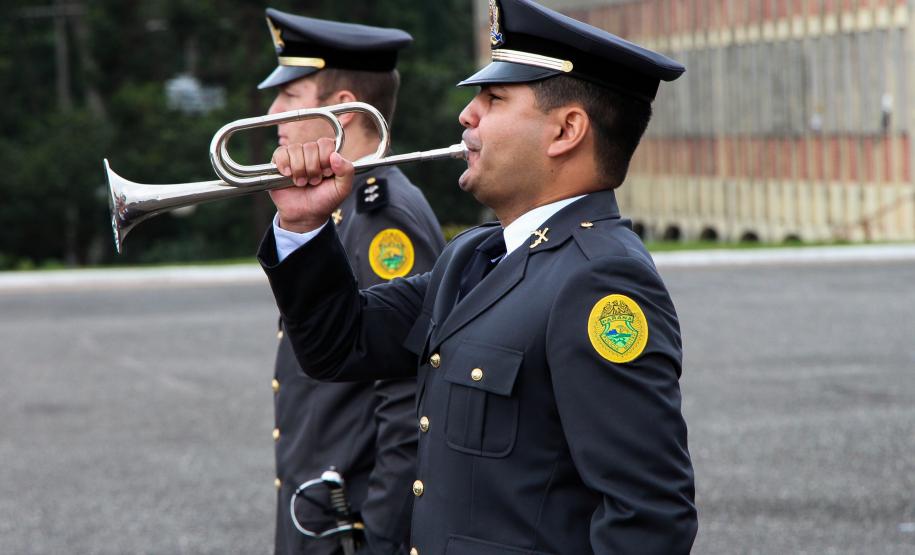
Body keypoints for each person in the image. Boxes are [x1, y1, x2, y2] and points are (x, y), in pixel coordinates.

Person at [258, 0, 697, 553]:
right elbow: (338, 346)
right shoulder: (474, 256)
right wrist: (304, 225)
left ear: (566, 130)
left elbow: (649, 517)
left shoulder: (600, 280)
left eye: (493, 99)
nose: (467, 115)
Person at [257, 8, 445, 555]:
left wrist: (381, 534)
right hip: (321, 510)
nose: (272, 114)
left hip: (351, 525)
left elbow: (409, 403)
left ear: (343, 111)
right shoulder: (341, 211)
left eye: (290, 98)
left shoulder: (381, 214)